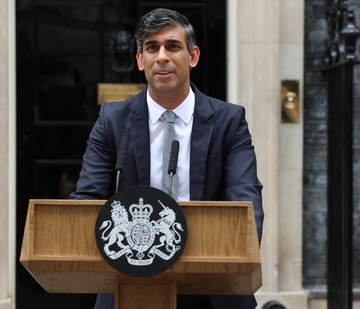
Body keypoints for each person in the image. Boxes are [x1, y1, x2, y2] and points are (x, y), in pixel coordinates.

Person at [68, 7, 264, 309]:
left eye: (172, 46)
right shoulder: (112, 121)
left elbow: (246, 204)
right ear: (139, 59)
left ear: (193, 56)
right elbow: (86, 203)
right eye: (151, 47)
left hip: (213, 286)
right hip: (126, 283)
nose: (162, 56)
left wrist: (231, 257)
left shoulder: (229, 121)